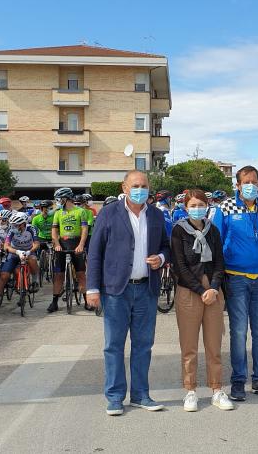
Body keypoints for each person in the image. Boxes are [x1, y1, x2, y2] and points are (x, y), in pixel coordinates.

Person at [85, 170, 170, 416]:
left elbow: (166, 245)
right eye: (135, 185)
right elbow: (95, 252)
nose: (140, 189)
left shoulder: (155, 215)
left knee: (143, 345)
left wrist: (162, 257)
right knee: (114, 345)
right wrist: (92, 288)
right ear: (124, 188)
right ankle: (114, 397)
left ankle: (141, 395)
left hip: (146, 288)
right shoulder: (108, 213)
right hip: (115, 291)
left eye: (144, 185)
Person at [211, 166, 258, 401]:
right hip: (236, 279)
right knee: (239, 332)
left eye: (254, 181)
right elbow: (216, 243)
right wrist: (218, 277)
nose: (250, 185)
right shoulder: (226, 208)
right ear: (238, 185)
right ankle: (238, 381)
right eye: (246, 181)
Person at [170, 189, 234, 412]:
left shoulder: (213, 230)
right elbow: (179, 265)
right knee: (189, 346)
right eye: (193, 204)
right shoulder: (179, 231)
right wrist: (200, 290)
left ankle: (217, 389)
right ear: (186, 207)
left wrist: (214, 288)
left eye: (201, 204)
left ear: (207, 206)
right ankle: (190, 391)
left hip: (213, 292)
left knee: (214, 344)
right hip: (189, 291)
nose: (197, 208)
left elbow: (219, 262)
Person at [0, 212, 40, 315]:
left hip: (28, 251)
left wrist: (29, 251)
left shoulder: (31, 229)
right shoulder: (12, 230)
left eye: (17, 225)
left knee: (32, 260)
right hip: (14, 253)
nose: (14, 227)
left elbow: (36, 244)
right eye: (13, 224)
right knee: (4, 276)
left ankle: (35, 280)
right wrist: (17, 252)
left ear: (23, 224)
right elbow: (6, 246)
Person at [48, 188, 90, 313]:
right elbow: (54, 230)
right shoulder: (58, 213)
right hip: (62, 243)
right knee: (58, 275)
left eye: (59, 199)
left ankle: (87, 301)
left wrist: (81, 244)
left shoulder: (80, 211)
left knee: (81, 273)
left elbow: (84, 230)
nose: (58, 202)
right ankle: (54, 302)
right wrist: (56, 243)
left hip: (76, 242)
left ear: (66, 199)